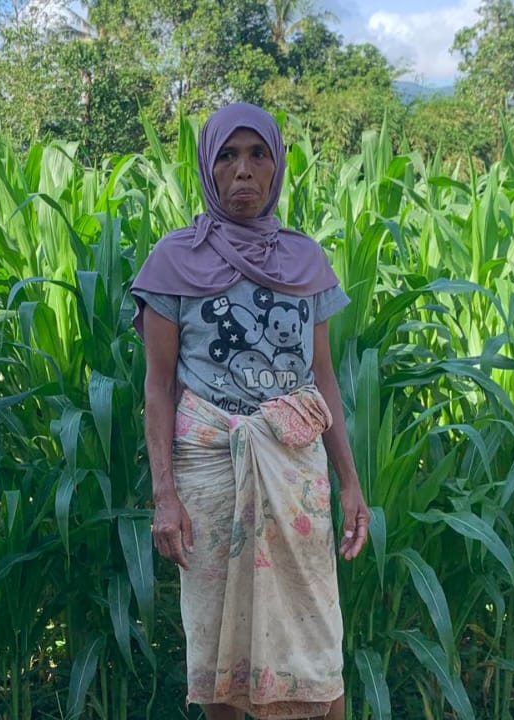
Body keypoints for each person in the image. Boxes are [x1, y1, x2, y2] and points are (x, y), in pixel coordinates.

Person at [132, 102, 369, 720]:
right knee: (220, 652)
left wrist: (350, 482)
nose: (244, 170)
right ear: (208, 166)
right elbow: (157, 388)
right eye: (228, 155)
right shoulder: (172, 262)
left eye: (258, 154)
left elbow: (323, 377)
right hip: (209, 473)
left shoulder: (306, 261)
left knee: (317, 642)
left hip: (296, 471)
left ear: (278, 164)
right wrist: (164, 496)